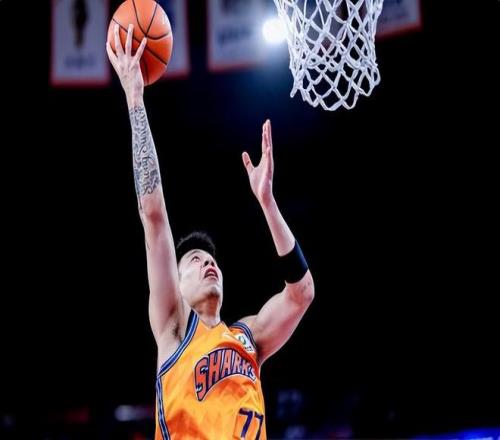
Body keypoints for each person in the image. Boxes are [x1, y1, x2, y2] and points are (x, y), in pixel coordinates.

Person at [106, 24, 315, 440]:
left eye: (211, 260)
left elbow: (301, 293)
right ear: (175, 284)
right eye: (195, 261)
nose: (209, 263)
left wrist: (267, 203)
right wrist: (134, 99)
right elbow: (153, 215)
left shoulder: (248, 337)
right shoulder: (172, 330)